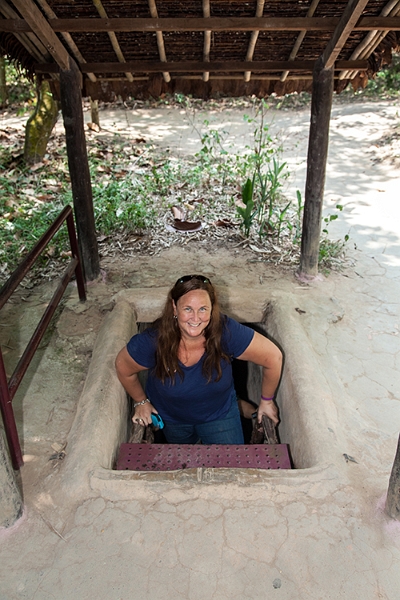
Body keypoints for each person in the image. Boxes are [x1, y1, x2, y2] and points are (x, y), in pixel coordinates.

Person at [115, 274, 282, 445]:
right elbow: (123, 367)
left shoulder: (226, 331)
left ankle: (240, 407)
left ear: (212, 308)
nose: (196, 318)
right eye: (188, 309)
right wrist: (140, 401)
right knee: (184, 464)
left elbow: (273, 357)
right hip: (173, 418)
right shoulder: (153, 341)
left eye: (203, 309)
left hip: (220, 415)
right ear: (174, 307)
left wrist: (267, 401)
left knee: (230, 467)